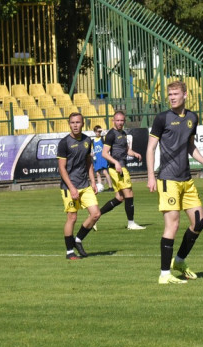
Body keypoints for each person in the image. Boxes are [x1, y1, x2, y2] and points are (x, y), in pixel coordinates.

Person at [146, 80, 203, 285]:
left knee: (199, 222)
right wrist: (151, 175)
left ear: (185, 95)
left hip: (186, 179)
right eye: (170, 94)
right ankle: (164, 274)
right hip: (168, 179)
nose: (172, 97)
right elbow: (150, 148)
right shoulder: (162, 118)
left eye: (176, 94)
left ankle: (180, 261)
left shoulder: (193, 117)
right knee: (173, 225)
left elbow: (190, 145)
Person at [57, 112, 102, 260]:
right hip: (69, 186)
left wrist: (94, 181)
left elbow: (88, 162)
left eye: (78, 122)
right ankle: (70, 251)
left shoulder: (88, 140)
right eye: (72, 123)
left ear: (83, 124)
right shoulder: (64, 143)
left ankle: (78, 239)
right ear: (69, 124)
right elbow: (62, 168)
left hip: (85, 184)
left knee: (96, 214)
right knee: (72, 217)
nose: (75, 125)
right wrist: (71, 188)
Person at [98, 110, 146, 230]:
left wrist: (135, 154)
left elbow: (126, 150)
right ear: (113, 121)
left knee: (120, 198)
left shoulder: (123, 133)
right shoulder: (111, 134)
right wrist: (115, 163)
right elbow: (104, 153)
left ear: (124, 121)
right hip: (117, 168)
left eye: (121, 120)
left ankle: (95, 216)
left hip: (120, 166)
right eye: (117, 120)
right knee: (129, 193)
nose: (119, 122)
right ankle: (131, 223)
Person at [91, 126, 110, 192]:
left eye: (99, 131)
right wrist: (92, 154)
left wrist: (102, 129)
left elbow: (107, 134)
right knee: (98, 174)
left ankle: (110, 187)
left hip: (103, 158)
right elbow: (92, 150)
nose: (98, 133)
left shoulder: (103, 138)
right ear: (94, 132)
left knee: (105, 172)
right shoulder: (93, 141)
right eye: (96, 131)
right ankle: (100, 187)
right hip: (96, 159)